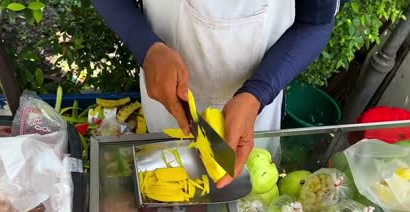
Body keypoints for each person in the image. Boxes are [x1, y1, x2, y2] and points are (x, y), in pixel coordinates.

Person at [92, 0, 350, 188]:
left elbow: (315, 21)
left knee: (246, 196)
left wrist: (257, 93)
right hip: (167, 99)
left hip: (255, 107)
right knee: (163, 190)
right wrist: (146, 47)